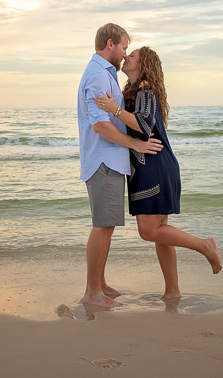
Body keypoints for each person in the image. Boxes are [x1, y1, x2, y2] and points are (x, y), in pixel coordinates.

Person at [95, 46, 222, 301]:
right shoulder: (134, 91)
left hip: (153, 166)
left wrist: (114, 110)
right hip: (155, 165)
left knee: (149, 231)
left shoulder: (146, 90)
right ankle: (172, 291)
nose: (126, 56)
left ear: (143, 65)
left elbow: (143, 124)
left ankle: (204, 245)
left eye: (133, 56)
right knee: (160, 231)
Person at [77, 23, 163, 307]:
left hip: (110, 159)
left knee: (107, 224)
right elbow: (101, 126)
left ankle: (99, 284)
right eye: (125, 47)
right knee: (103, 224)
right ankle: (92, 293)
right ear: (111, 44)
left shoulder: (106, 75)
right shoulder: (97, 76)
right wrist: (136, 144)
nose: (126, 54)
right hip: (104, 158)